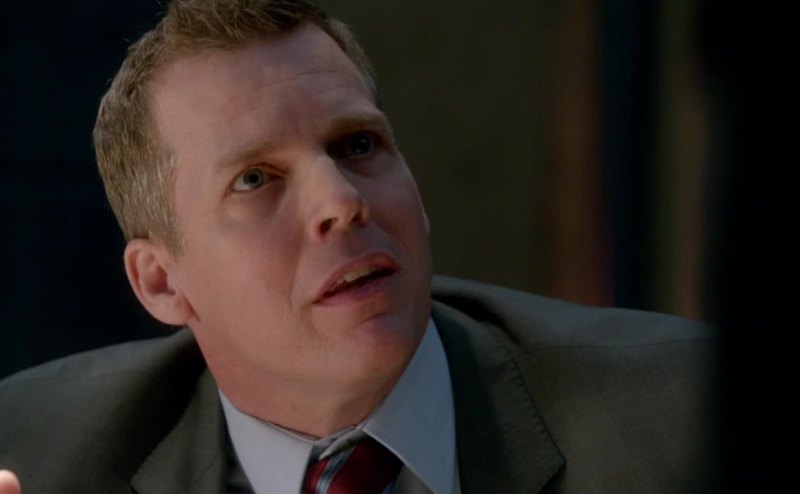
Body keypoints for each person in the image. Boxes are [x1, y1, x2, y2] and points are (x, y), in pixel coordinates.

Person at [0, 1, 712, 492]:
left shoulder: (686, 418)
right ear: (162, 282)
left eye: (359, 145)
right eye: (256, 179)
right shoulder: (30, 453)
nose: (342, 202)